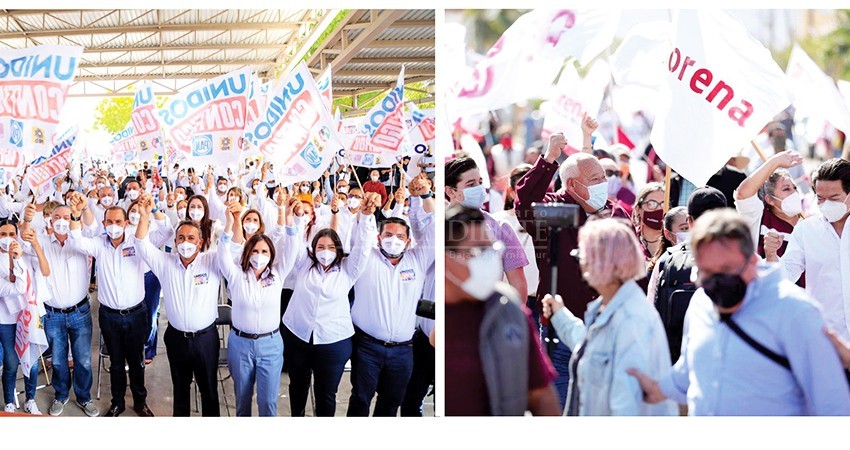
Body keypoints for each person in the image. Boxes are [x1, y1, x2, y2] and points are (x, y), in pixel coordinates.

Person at [629, 209, 850, 415]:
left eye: (726, 269)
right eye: (706, 271)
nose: (716, 281)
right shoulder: (701, 302)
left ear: (752, 261)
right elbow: (690, 372)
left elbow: (832, 405)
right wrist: (652, 388)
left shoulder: (796, 312)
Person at [514, 132, 630, 408]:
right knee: (562, 405)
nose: (605, 184)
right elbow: (525, 203)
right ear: (574, 184)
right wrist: (549, 158)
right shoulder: (554, 209)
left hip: (609, 331)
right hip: (561, 332)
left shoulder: (616, 212)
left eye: (604, 176)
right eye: (596, 179)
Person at [541, 218, 677, 415]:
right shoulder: (609, 306)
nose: (580, 263)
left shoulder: (631, 319)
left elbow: (626, 406)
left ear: (605, 263)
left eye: (584, 255)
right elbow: (593, 348)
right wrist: (560, 316)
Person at [445, 205, 560, 416]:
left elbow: (542, 396)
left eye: (491, 249)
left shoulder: (510, 311)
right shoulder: (441, 321)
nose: (489, 259)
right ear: (446, 257)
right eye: (478, 250)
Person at [346, 175, 435, 417]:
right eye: (388, 235)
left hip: (404, 351)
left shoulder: (417, 260)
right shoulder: (367, 258)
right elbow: (359, 238)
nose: (393, 240)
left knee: (390, 403)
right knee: (361, 400)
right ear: (378, 238)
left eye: (399, 237)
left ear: (408, 242)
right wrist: (365, 214)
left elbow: (436, 230)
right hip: (367, 346)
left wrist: (423, 197)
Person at [282, 189, 375, 417]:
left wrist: (364, 218)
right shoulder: (304, 264)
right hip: (298, 335)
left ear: (339, 250)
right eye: (320, 247)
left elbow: (363, 249)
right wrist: (293, 218)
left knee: (326, 393)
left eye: (331, 247)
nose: (325, 252)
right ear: (313, 250)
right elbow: (292, 246)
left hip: (333, 341)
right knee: (298, 385)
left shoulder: (347, 270)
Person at [66, 192, 154, 417]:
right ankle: (117, 403)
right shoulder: (98, 244)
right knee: (115, 363)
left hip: (136, 313)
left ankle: (140, 402)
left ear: (126, 223)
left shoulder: (137, 241)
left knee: (136, 362)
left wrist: (147, 214)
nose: (114, 226)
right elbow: (76, 241)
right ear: (104, 223)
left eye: (118, 222)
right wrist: (76, 216)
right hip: (109, 315)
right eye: (110, 222)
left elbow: (163, 234)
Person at [134, 193, 223, 417]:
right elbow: (141, 244)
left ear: (200, 242)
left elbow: (233, 246)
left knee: (209, 391)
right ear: (174, 242)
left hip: (206, 339)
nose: (186, 243)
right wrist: (145, 215)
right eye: (181, 238)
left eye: (191, 238)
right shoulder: (165, 263)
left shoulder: (212, 261)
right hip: (176, 339)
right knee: (180, 390)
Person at [216, 196, 297, 416]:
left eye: (264, 252)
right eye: (254, 251)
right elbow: (222, 255)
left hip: (270, 344)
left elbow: (292, 249)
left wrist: (289, 220)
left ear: (271, 255)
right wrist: (230, 224)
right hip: (240, 344)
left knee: (268, 402)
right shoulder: (236, 276)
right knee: (242, 400)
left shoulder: (278, 274)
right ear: (247, 253)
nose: (259, 256)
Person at [22, 200, 100, 417]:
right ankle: (61, 395)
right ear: (49, 220)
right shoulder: (43, 243)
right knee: (57, 359)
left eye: (67, 217)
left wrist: (83, 209)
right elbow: (25, 241)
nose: (62, 222)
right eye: (57, 217)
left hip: (80, 312)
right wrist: (27, 219)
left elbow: (94, 228)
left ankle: (84, 397)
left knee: (83, 359)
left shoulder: (81, 242)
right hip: (54, 314)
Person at [766, 158, 850, 341]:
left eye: (834, 198)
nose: (826, 204)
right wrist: (772, 255)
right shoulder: (806, 230)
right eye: (820, 198)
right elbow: (785, 276)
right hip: (826, 340)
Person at [650, 187, 727, 364]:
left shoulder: (668, 258)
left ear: (690, 221)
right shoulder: (745, 257)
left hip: (677, 363)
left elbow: (652, 314)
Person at [445, 156, 529, 301]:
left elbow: (517, 282)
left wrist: (515, 317)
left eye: (480, 182)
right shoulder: (438, 227)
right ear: (450, 192)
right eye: (471, 184)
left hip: (490, 311)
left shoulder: (501, 227)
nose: (479, 188)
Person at [735, 150, 806, 283]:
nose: (794, 193)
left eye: (794, 188)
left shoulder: (808, 223)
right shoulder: (759, 218)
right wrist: (775, 161)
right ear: (770, 199)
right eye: (786, 189)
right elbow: (743, 194)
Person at [0, 223, 38, 414]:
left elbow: (26, 286)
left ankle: (30, 399)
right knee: (11, 362)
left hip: (27, 316)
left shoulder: (24, 255)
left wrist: (18, 260)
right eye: (3, 234)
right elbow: (16, 288)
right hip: (5, 320)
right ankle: (9, 401)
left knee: (31, 360)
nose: (8, 238)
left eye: (12, 234)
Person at [631, 182, 666, 261]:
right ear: (638, 209)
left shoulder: (673, 240)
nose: (659, 209)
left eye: (664, 204)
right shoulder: (630, 240)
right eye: (651, 204)